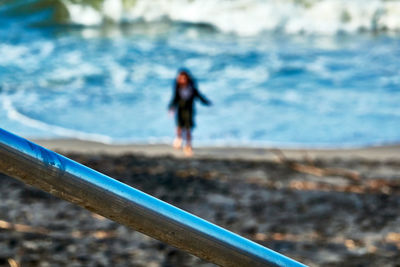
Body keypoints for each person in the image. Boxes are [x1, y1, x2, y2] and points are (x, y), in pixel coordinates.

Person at [168, 69, 211, 156]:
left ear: (187, 78)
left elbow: (199, 96)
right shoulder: (178, 88)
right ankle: (179, 138)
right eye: (180, 78)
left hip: (189, 111)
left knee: (188, 129)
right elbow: (174, 99)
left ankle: (188, 146)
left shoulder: (192, 88)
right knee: (179, 126)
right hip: (180, 109)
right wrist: (171, 107)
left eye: (184, 78)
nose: (182, 80)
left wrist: (206, 102)